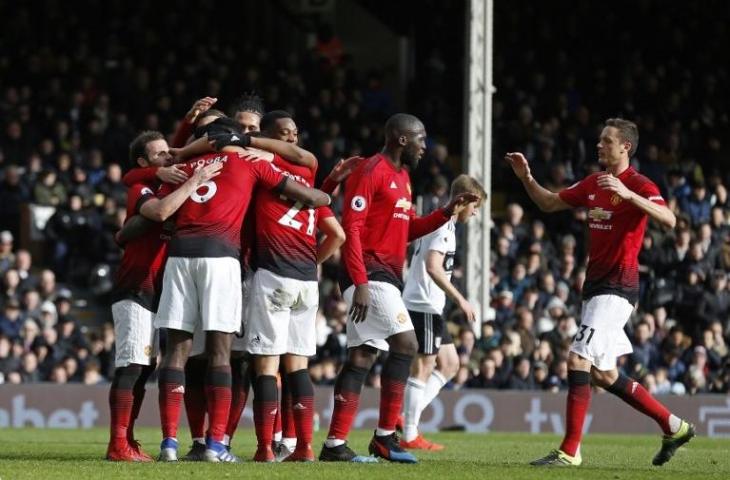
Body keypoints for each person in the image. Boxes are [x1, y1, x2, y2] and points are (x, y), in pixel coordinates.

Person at [505, 118, 694, 467]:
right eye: (599, 141)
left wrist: (630, 195)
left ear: (626, 147)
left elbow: (668, 219)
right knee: (603, 374)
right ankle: (674, 426)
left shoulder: (638, 182)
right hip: (595, 287)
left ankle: (570, 451)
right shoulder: (594, 182)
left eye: (606, 141)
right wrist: (525, 178)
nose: (599, 146)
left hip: (618, 286)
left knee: (578, 359)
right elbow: (549, 203)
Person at [153, 118, 331, 463]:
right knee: (223, 354)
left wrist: (166, 168)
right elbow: (310, 195)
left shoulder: (187, 166)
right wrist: (324, 191)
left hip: (180, 255)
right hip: (223, 258)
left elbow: (161, 208)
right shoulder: (251, 164)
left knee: (177, 351)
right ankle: (217, 446)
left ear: (211, 143)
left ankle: (169, 445)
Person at [319, 113, 478, 463]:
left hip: (388, 273)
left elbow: (406, 231)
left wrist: (447, 211)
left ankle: (334, 445)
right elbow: (353, 227)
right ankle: (385, 437)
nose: (425, 148)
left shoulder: (403, 177)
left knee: (361, 357)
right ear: (401, 139)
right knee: (406, 343)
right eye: (421, 140)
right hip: (369, 273)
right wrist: (359, 281)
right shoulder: (370, 170)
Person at [106, 130, 222, 462]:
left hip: (158, 289)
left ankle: (127, 440)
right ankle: (117, 443)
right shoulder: (140, 190)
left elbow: (175, 151)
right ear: (144, 163)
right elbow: (158, 213)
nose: (168, 158)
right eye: (159, 155)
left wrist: (190, 120)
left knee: (144, 367)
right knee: (131, 365)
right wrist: (195, 180)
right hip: (135, 285)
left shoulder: (161, 184)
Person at [241, 110, 346, 462]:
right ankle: (303, 447)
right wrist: (312, 260)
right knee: (297, 367)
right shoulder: (308, 175)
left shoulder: (262, 171)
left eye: (293, 133)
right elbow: (337, 235)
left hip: (273, 274)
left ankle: (265, 448)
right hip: (306, 281)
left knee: (266, 368)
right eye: (284, 133)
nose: (290, 139)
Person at [400, 174, 486, 450]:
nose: (474, 214)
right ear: (464, 201)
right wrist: (461, 299)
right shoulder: (442, 227)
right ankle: (410, 434)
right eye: (475, 207)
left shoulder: (445, 223)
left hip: (432, 305)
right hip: (422, 303)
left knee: (450, 364)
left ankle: (405, 418)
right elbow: (433, 266)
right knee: (424, 366)